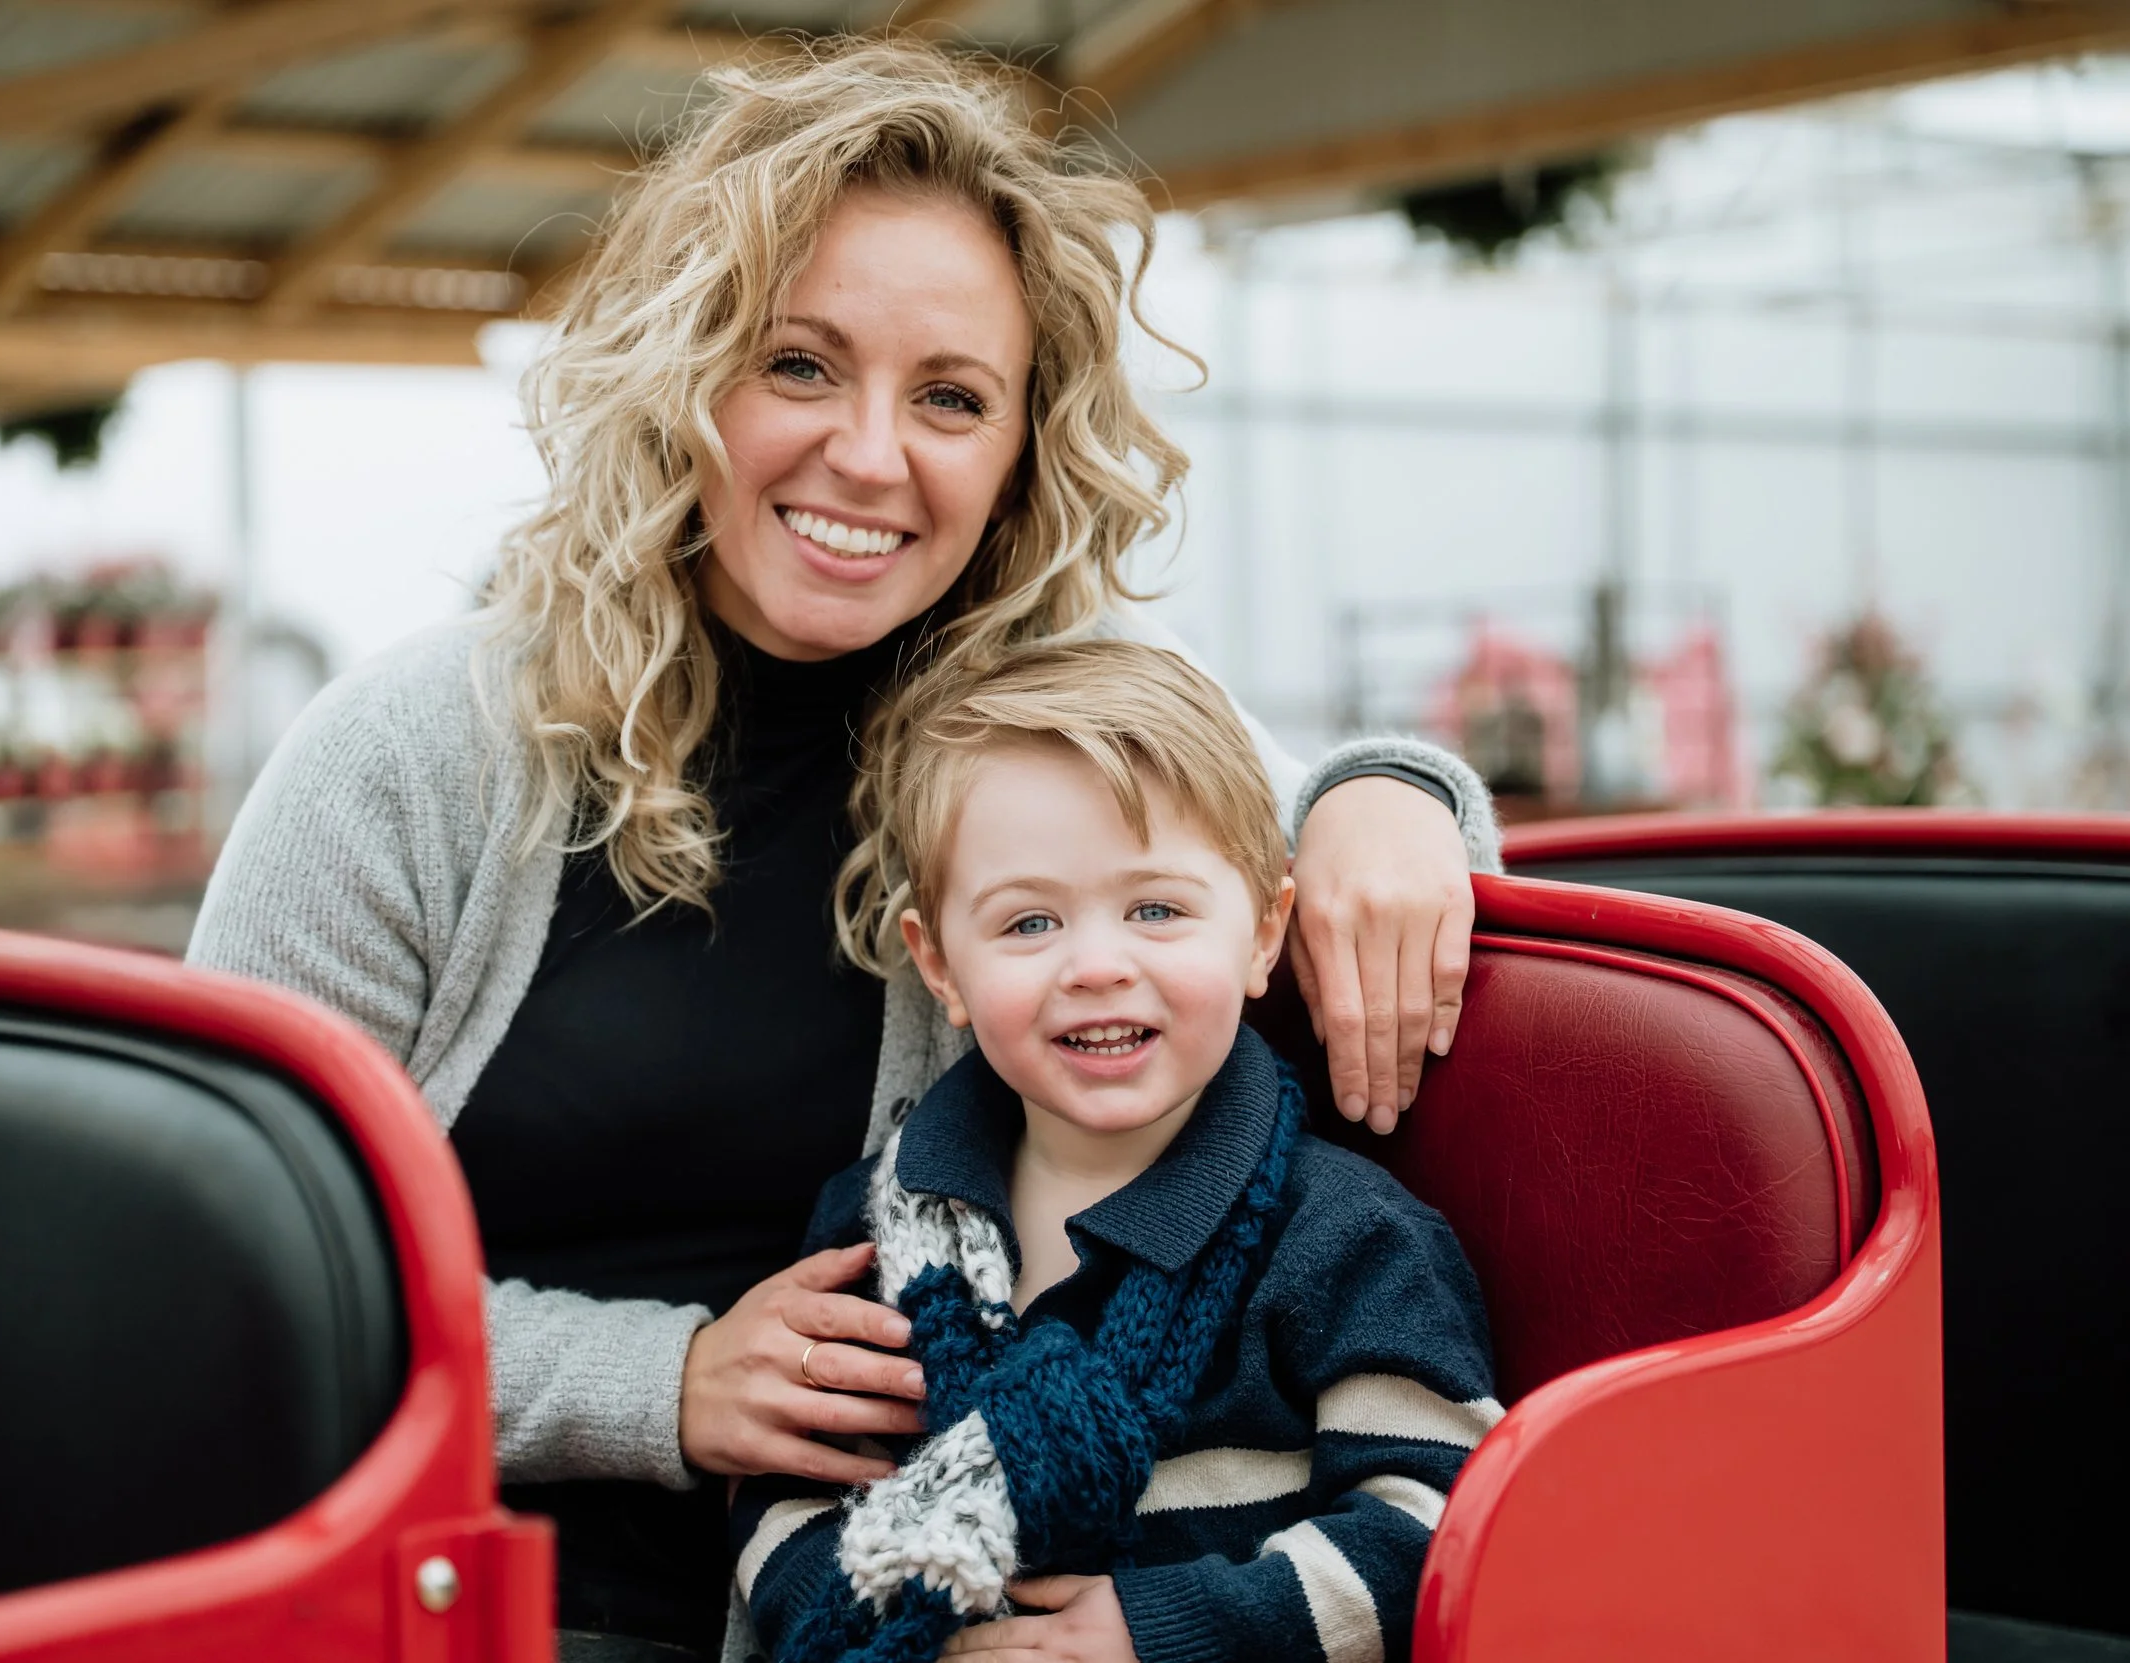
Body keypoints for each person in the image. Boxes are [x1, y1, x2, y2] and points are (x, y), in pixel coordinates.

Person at [188, 38, 1502, 1663]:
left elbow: (1286, 822)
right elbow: (218, 1278)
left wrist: (1395, 791)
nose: (872, 455)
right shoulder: (406, 757)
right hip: (443, 1577)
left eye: (950, 397)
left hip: (877, 1592)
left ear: (1023, 441)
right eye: (800, 365)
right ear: (686, 369)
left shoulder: (1030, 715)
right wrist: (660, 1385)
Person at [731, 640, 1499, 1663]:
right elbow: (788, 1489)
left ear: (1265, 932)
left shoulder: (1345, 1239)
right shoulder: (879, 1226)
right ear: (939, 964)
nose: (1097, 965)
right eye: (1030, 921)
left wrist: (1158, 1632)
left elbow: (1442, 1524)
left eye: (1155, 910)